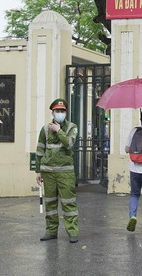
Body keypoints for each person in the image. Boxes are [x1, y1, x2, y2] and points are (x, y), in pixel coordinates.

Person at [35, 98, 79, 243]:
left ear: (65, 112)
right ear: (52, 113)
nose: (59, 113)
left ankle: (72, 232)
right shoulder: (45, 129)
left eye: (62, 111)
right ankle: (51, 231)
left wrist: (59, 131)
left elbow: (69, 144)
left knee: (68, 202)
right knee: (50, 203)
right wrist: (38, 171)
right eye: (57, 111)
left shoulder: (72, 127)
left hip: (65, 172)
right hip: (48, 171)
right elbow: (40, 149)